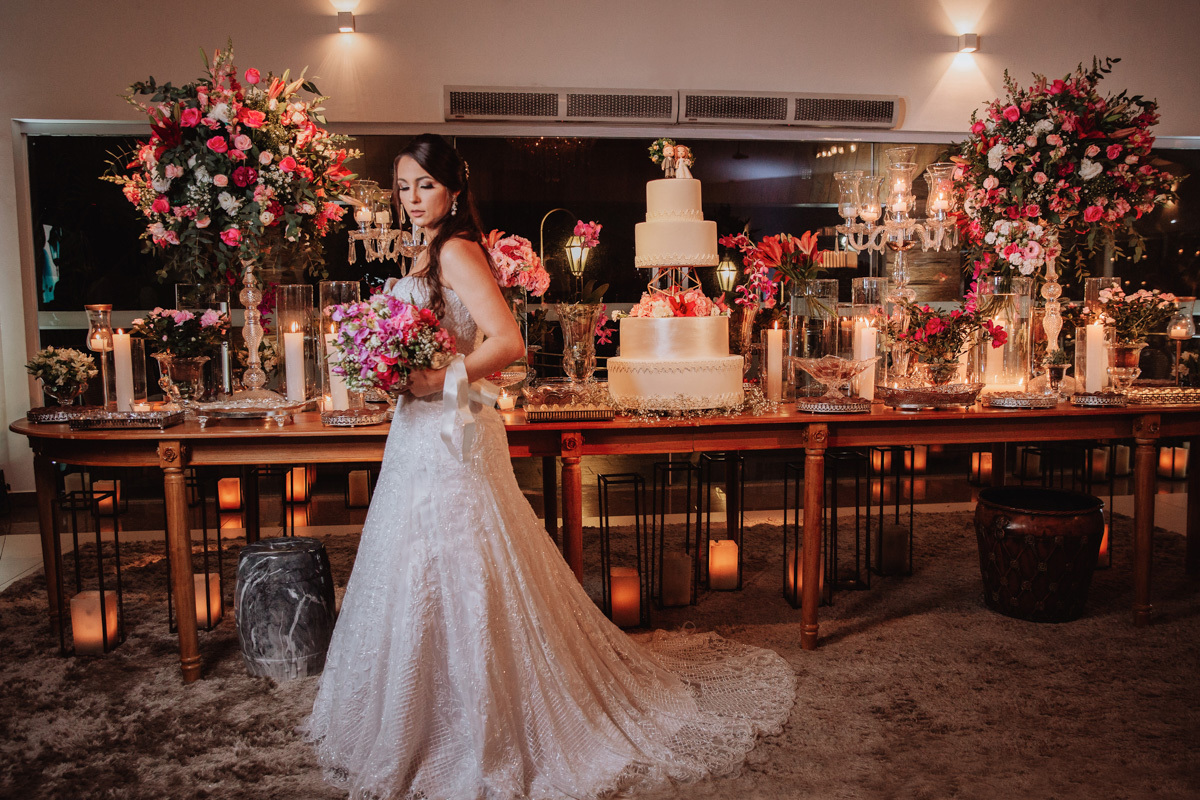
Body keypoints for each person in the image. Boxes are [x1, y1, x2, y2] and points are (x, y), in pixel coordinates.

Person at [303, 133, 795, 800]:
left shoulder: (455, 249)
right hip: (419, 430)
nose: (413, 198)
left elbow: (506, 343)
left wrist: (435, 377)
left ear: (453, 189)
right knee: (416, 564)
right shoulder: (424, 249)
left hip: (451, 431)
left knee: (466, 562)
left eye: (424, 185)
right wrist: (391, 370)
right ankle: (417, 714)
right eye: (404, 185)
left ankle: (482, 725)